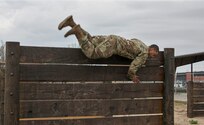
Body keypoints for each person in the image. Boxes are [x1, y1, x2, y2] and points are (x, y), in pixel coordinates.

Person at [58, 15, 159, 84]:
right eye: (154, 54)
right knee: (91, 53)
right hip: (113, 45)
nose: (153, 57)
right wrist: (132, 76)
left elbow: (132, 41)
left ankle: (71, 22)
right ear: (152, 49)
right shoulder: (145, 53)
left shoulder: (140, 42)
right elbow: (133, 66)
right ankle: (77, 32)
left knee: (91, 40)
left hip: (112, 38)